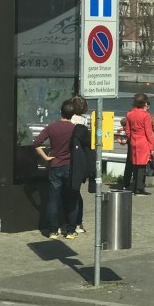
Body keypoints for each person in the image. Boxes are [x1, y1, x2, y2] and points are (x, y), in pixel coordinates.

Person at [32, 101, 80, 239]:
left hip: (55, 166)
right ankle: (70, 231)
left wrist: (46, 158)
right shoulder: (75, 129)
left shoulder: (51, 127)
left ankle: (53, 231)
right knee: (72, 199)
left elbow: (36, 143)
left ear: (61, 112)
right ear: (73, 114)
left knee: (53, 200)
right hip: (70, 166)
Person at [120, 93, 154, 195]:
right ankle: (139, 188)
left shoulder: (130, 114)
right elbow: (148, 132)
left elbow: (127, 130)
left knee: (135, 164)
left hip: (134, 141)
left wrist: (131, 138)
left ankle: (135, 186)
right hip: (143, 141)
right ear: (144, 103)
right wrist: (151, 146)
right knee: (142, 165)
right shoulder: (145, 115)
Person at [68, 96, 92, 234]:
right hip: (81, 159)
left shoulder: (70, 120)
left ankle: (69, 221)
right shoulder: (84, 121)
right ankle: (78, 222)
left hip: (69, 158)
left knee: (69, 192)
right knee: (76, 193)